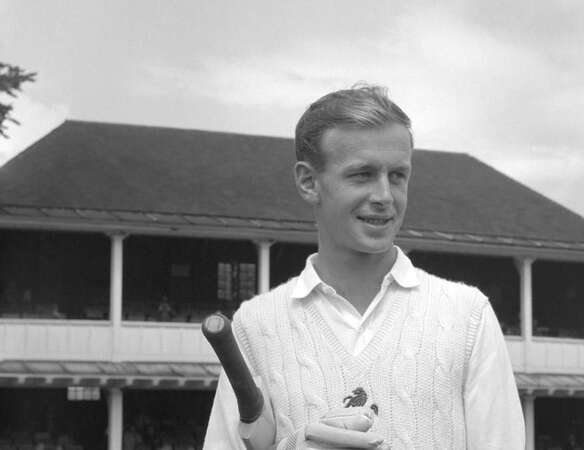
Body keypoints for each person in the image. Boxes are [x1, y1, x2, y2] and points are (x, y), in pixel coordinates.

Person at [203, 85, 524, 449]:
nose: (385, 196)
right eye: (362, 174)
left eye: (398, 175)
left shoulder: (468, 316)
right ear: (309, 182)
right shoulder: (256, 325)